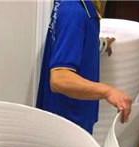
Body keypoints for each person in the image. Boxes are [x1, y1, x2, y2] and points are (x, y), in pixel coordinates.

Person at [36, 0, 132, 134]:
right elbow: (59, 79)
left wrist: (100, 44)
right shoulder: (74, 14)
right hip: (68, 123)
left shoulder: (75, 6)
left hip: (66, 115)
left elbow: (70, 41)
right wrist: (108, 91)